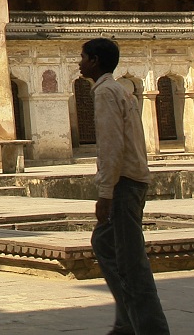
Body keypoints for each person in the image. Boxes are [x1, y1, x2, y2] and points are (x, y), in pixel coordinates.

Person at [80, 37, 170, 335]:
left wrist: (105, 192)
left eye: (82, 57)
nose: (79, 63)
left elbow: (111, 145)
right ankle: (126, 323)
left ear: (93, 61)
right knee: (105, 244)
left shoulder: (106, 92)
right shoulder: (117, 89)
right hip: (132, 180)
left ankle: (149, 328)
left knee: (132, 264)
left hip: (123, 184)